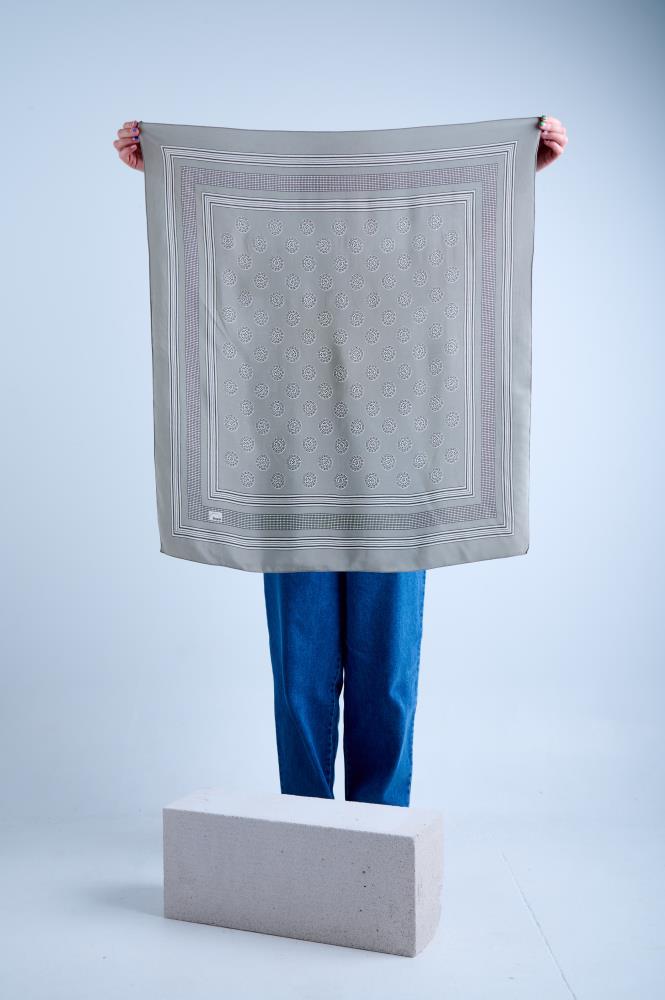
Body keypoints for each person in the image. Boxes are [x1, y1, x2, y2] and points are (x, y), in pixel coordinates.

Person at [114, 115, 568, 808]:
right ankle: (303, 829)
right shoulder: (283, 256)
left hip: (400, 474)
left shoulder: (416, 253)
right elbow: (230, 246)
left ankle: (378, 835)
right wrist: (165, 172)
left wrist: (516, 168)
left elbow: (459, 237)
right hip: (291, 476)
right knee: (301, 676)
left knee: (387, 674)